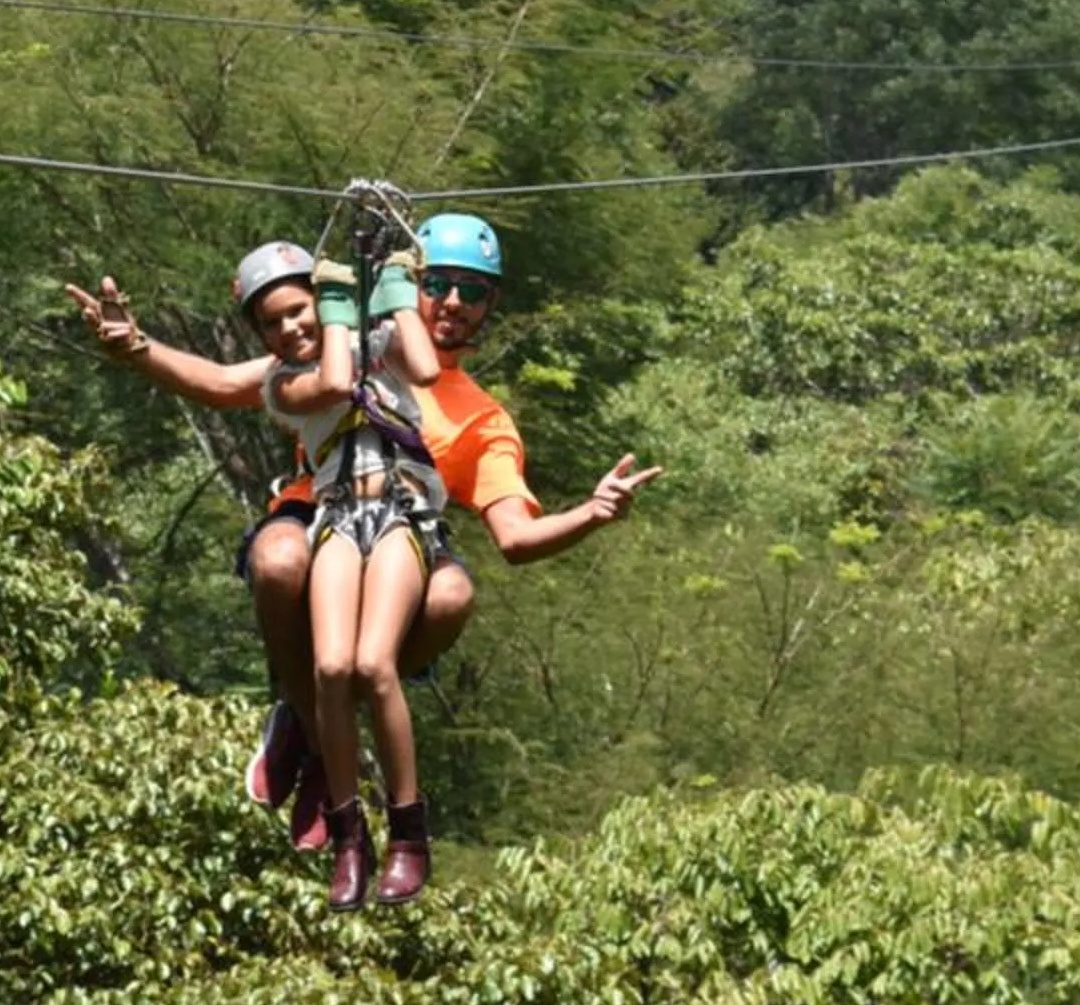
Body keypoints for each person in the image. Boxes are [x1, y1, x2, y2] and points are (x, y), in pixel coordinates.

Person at [67, 210, 658, 860]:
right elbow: (222, 383)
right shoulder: (355, 349)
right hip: (320, 514)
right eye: (439, 284)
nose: (454, 303)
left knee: (453, 597)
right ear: (410, 286)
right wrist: (137, 348)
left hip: (406, 534)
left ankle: (324, 722)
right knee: (278, 556)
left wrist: (591, 514)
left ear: (491, 306)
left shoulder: (484, 419)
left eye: (475, 291)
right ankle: (309, 715)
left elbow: (515, 539)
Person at [249, 246, 446, 905]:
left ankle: (409, 831)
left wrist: (394, 291)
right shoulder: (283, 385)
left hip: (400, 511)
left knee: (372, 665)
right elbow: (334, 383)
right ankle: (348, 834)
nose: (290, 329)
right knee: (330, 670)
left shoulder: (381, 345)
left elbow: (425, 365)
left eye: (300, 309)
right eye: (273, 323)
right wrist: (335, 311)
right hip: (336, 515)